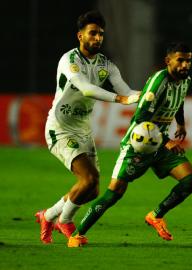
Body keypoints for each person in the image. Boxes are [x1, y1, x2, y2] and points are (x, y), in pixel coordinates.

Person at [67, 42, 192, 247]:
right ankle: (78, 234)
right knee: (114, 194)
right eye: (180, 60)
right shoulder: (159, 82)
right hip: (138, 145)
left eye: (188, 61)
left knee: (191, 180)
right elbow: (141, 118)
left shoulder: (185, 80)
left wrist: (180, 124)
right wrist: (168, 141)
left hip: (161, 143)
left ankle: (156, 215)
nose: (185, 65)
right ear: (168, 61)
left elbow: (179, 100)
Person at [35, 10, 140, 244]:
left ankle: (48, 215)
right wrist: (120, 100)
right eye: (92, 33)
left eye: (101, 34)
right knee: (89, 179)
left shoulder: (106, 65)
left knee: (91, 190)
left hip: (83, 130)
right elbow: (86, 88)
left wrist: (147, 94)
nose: (98, 38)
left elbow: (126, 91)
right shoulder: (69, 60)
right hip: (60, 128)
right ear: (80, 36)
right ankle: (64, 221)